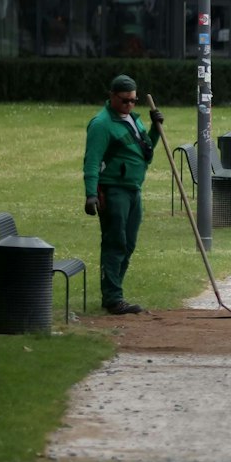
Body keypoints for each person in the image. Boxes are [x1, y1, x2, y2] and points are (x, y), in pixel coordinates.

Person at [82, 74, 163, 315]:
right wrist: (90, 194)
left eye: (133, 100)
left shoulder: (133, 120)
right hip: (113, 191)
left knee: (128, 244)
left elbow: (146, 152)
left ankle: (114, 292)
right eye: (125, 100)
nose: (129, 105)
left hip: (133, 189)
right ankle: (113, 298)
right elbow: (92, 161)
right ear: (112, 96)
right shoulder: (101, 124)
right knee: (115, 243)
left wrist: (155, 129)